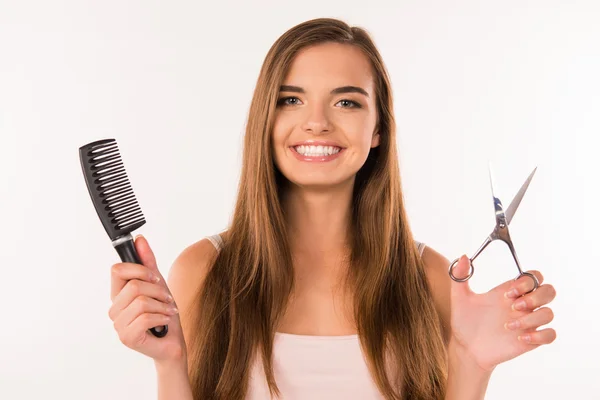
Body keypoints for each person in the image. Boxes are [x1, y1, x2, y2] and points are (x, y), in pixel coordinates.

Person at [107, 18, 557, 400]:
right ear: (266, 119)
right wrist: (169, 364)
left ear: (379, 128)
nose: (317, 121)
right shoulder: (205, 269)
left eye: (346, 101)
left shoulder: (431, 279)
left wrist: (472, 363)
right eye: (291, 100)